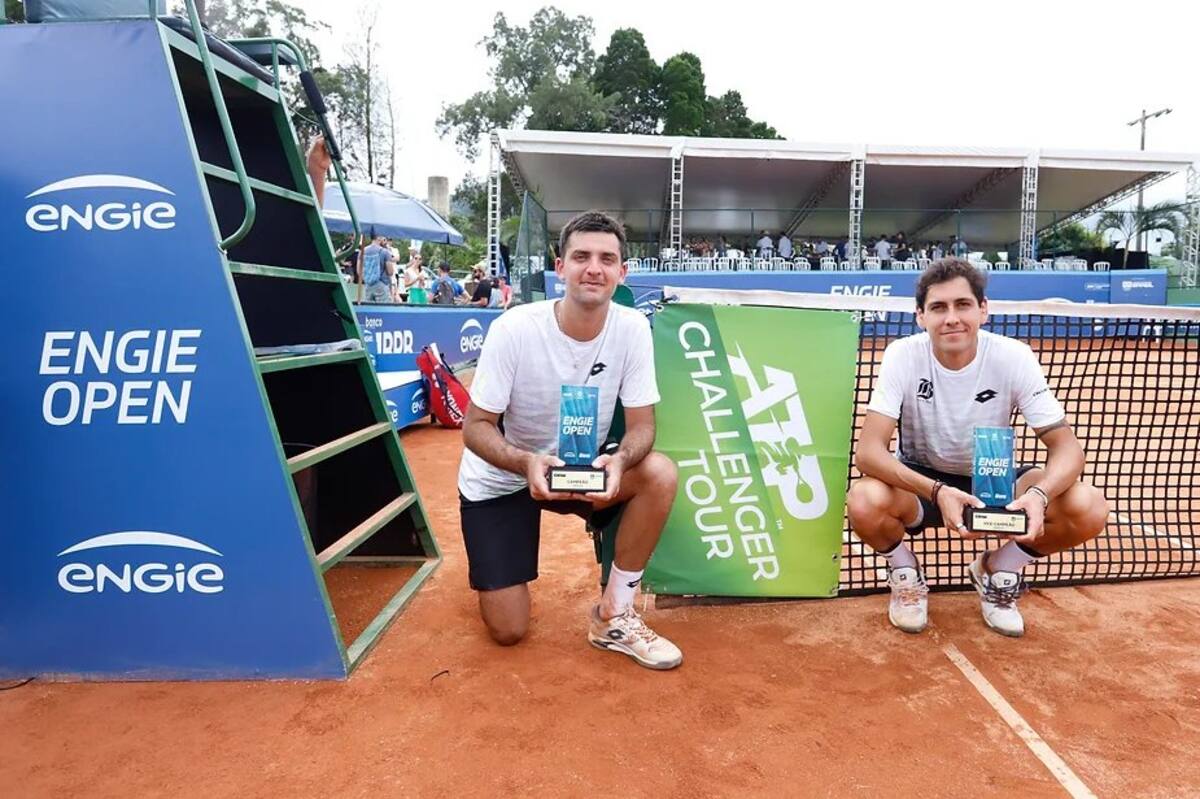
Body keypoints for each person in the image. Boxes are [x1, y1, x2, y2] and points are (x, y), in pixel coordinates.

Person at [457, 210, 683, 670]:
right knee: (508, 630)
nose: (593, 268)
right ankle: (494, 568)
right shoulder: (514, 328)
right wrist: (525, 463)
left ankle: (614, 613)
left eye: (606, 259)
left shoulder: (632, 328)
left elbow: (643, 427)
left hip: (584, 474)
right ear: (560, 267)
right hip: (505, 478)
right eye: (581, 257)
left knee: (659, 473)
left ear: (622, 272)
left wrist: (618, 462)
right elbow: (475, 426)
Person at [846, 258, 1108, 637]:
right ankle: (905, 571)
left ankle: (998, 569)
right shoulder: (903, 355)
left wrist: (1038, 495)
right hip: (922, 486)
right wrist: (938, 491)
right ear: (920, 316)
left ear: (983, 310)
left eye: (963, 305)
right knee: (864, 500)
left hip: (994, 481)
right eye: (938, 307)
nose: (951, 318)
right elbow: (869, 452)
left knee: (1088, 506)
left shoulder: (1013, 356)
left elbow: (1067, 449)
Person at [359, 234, 394, 303]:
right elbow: (390, 272)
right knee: (384, 308)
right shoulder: (385, 252)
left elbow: (359, 270)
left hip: (368, 285)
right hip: (381, 284)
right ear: (379, 237)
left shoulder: (362, 251)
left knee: (369, 308)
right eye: (383, 238)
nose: (384, 240)